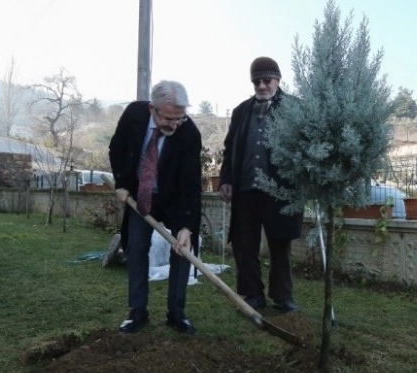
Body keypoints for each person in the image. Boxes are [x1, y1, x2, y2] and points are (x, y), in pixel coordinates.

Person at [109, 80, 202, 334]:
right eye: (169, 119)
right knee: (137, 248)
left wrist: (186, 227)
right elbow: (116, 149)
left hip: (175, 199)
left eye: (180, 119)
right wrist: (122, 182)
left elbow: (192, 184)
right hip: (141, 195)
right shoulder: (134, 115)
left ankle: (177, 313)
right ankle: (137, 312)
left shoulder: (189, 134)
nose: (174, 125)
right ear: (153, 108)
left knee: (183, 250)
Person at [218, 56, 303, 312]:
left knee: (280, 244)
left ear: (278, 79)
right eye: (257, 81)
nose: (262, 86)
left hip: (280, 191)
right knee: (244, 246)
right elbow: (230, 148)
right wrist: (225, 179)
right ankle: (252, 294)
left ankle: (283, 297)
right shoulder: (241, 111)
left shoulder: (295, 108)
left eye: (267, 80)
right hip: (245, 190)